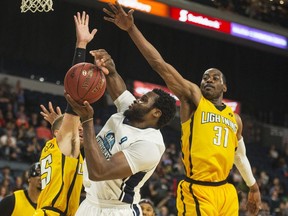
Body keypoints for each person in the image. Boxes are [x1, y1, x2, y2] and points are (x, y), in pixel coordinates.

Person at [103, 1, 262, 215]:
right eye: (205, 77)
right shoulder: (193, 99)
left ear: (225, 86)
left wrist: (252, 186)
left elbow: (240, 156)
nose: (209, 80)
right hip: (198, 189)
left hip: (226, 192)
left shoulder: (236, 119)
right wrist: (131, 29)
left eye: (215, 78)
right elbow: (160, 65)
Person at [65, 47, 176, 216]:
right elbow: (119, 90)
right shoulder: (132, 112)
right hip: (90, 202)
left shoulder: (149, 146)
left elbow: (99, 172)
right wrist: (109, 69)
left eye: (144, 100)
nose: (137, 100)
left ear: (156, 113)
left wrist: (87, 121)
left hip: (117, 210)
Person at [33, 11, 96, 216]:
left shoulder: (63, 149)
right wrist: (81, 46)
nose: (79, 130)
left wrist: (58, 123)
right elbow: (75, 92)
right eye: (75, 127)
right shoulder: (63, 145)